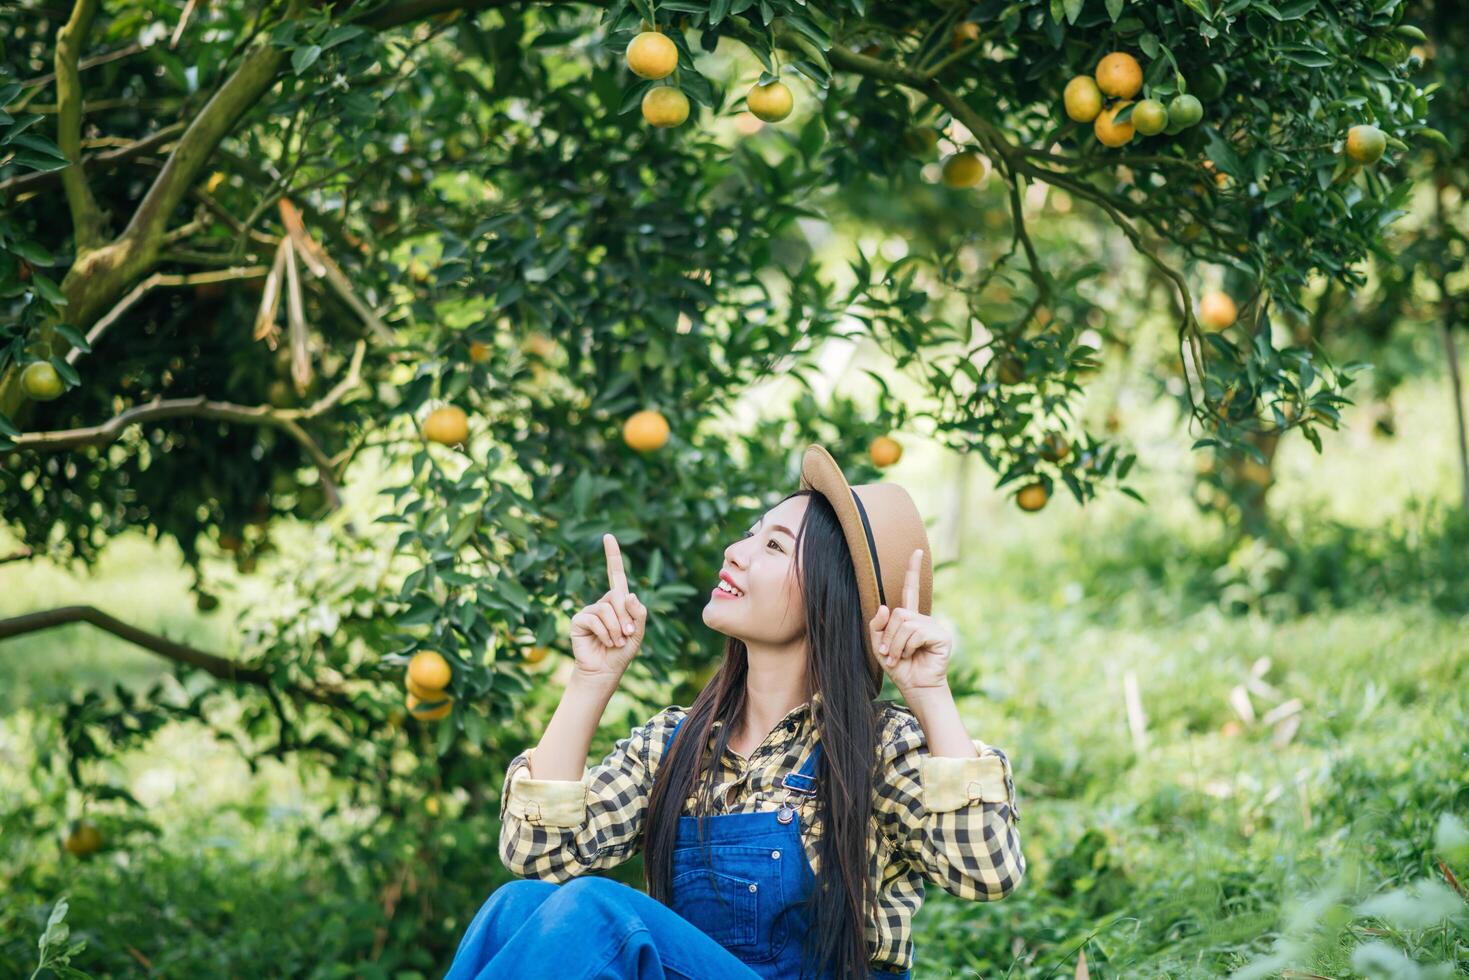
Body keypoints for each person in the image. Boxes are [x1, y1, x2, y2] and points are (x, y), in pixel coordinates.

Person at [445, 444, 1025, 980]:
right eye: (749, 535)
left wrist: (929, 694)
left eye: (772, 546)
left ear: (829, 594)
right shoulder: (678, 743)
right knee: (513, 907)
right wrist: (591, 680)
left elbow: (987, 870)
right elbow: (537, 855)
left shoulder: (877, 747)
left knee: (601, 913)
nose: (736, 552)